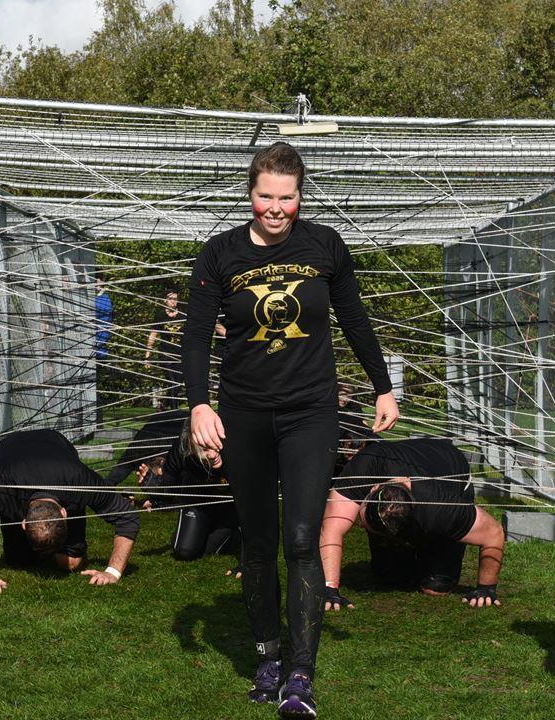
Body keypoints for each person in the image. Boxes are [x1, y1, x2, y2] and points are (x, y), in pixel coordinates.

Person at [182, 141, 399, 717]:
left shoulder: (325, 245)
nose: (276, 209)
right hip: (244, 415)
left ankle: (301, 674)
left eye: (287, 197)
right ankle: (268, 656)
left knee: (301, 539)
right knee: (258, 541)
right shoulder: (220, 253)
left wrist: (382, 385)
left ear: (301, 196)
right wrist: (199, 406)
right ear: (249, 195)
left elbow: (354, 317)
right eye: (265, 197)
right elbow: (196, 337)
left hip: (310, 413)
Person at [0, 429, 140, 595]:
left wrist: (113, 572)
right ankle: (34, 550)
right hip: (12, 446)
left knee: (70, 563)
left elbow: (127, 517)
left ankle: (57, 550)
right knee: (19, 562)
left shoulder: (79, 481)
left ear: (66, 514)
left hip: (55, 442)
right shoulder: (1, 488)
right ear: (22, 522)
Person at [319, 437, 504, 610]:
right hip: (403, 459)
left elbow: (493, 533)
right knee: (392, 579)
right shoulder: (364, 468)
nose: (359, 526)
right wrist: (329, 589)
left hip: (447, 465)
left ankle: (431, 549)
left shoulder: (441, 507)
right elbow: (331, 527)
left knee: (436, 587)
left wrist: (486, 588)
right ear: (374, 488)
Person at [140, 422, 240, 561]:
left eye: (214, 444)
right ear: (190, 447)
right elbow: (168, 489)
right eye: (204, 449)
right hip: (198, 498)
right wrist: (155, 488)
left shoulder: (234, 444)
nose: (212, 454)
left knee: (211, 550)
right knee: (185, 551)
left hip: (231, 502)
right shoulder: (181, 450)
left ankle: (235, 530)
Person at [145, 290, 185, 409]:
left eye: (175, 299)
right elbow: (153, 335)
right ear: (165, 301)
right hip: (165, 353)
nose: (173, 301)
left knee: (178, 382)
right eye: (171, 299)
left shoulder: (183, 314)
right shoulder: (160, 315)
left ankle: (164, 403)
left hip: (180, 353)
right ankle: (174, 410)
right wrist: (147, 355)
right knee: (171, 381)